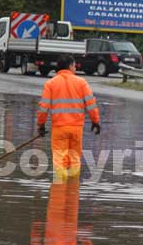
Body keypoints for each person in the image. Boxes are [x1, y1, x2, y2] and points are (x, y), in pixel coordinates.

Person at [37, 54, 101, 182]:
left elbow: (43, 107)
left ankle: (59, 192)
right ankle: (72, 189)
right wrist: (95, 121)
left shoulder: (50, 83)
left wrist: (41, 125)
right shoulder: (81, 82)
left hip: (59, 128)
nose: (75, 68)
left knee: (60, 159)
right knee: (74, 159)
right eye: (74, 65)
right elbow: (91, 104)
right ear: (71, 66)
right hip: (76, 128)